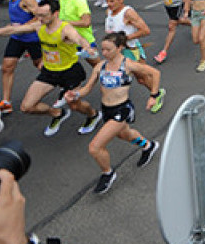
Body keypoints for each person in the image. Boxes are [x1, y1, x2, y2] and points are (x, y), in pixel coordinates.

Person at [0, 0, 100, 137]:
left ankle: (93, 115)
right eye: (37, 14)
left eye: (44, 15)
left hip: (70, 72)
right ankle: (58, 113)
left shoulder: (65, 29)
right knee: (27, 107)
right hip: (49, 72)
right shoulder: (39, 25)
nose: (39, 18)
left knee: (75, 105)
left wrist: (87, 47)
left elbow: (79, 39)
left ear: (55, 14)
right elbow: (11, 31)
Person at [64, 31, 162, 195]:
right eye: (103, 49)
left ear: (120, 48)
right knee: (124, 135)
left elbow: (155, 73)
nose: (104, 53)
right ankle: (148, 146)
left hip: (122, 109)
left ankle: (108, 173)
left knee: (95, 147)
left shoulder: (128, 64)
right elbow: (87, 88)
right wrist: (76, 94)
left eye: (108, 49)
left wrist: (154, 95)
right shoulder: (100, 66)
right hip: (107, 109)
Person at [0, 0, 42, 116]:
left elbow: (39, 16)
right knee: (7, 67)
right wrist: (12, 27)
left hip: (32, 38)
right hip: (17, 37)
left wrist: (23, 26)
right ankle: (6, 102)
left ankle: (62, 83)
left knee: (40, 65)